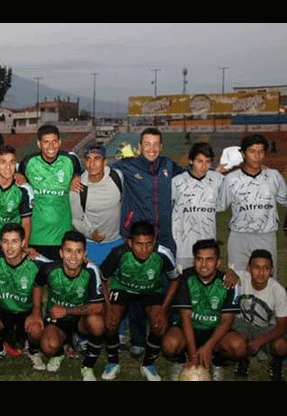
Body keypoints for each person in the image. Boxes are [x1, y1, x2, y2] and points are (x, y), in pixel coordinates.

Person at [109, 127, 184, 359]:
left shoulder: (169, 167)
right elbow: (98, 170)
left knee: (163, 288)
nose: (151, 149)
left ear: (161, 147)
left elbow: (195, 174)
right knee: (135, 289)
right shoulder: (126, 165)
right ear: (140, 147)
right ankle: (138, 339)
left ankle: (162, 333)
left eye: (156, 144)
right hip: (138, 239)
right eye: (147, 144)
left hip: (163, 238)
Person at [99, 220, 179, 381]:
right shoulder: (119, 253)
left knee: (159, 324)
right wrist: (107, 309)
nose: (144, 249)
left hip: (150, 291)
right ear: (130, 242)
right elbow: (102, 279)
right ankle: (113, 361)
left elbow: (175, 280)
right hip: (123, 288)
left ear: (154, 241)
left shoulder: (163, 253)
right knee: (110, 322)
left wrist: (163, 310)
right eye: (139, 244)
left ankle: (148, 364)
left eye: (149, 244)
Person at [162, 239, 245, 381]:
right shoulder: (185, 278)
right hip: (189, 329)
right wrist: (194, 357)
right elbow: (186, 319)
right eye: (199, 259)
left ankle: (217, 363)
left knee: (239, 347)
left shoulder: (229, 282)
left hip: (215, 330)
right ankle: (181, 362)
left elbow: (226, 321)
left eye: (209, 259)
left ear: (218, 263)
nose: (204, 264)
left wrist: (208, 347)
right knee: (170, 344)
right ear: (194, 261)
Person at [0, 223, 49, 370]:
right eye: (6, 241)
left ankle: (33, 351)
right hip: (3, 308)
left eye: (14, 242)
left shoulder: (36, 261)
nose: (9, 247)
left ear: (23, 243)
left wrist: (36, 312)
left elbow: (62, 266)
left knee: (36, 329)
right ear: (1, 243)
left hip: (26, 309)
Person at [35, 231, 105, 380]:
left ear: (85, 254)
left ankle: (88, 366)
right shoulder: (51, 269)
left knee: (97, 322)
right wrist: (36, 311)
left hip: (80, 319)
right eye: (68, 251)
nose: (73, 257)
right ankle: (60, 351)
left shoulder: (91, 271)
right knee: (48, 346)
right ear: (61, 253)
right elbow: (37, 285)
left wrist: (67, 311)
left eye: (78, 251)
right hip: (56, 321)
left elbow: (99, 307)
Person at [217, 133, 287, 277]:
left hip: (266, 236)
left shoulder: (273, 176)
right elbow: (219, 205)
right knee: (237, 281)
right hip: (239, 237)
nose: (257, 156)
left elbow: (285, 200)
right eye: (252, 152)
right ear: (243, 154)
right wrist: (215, 177)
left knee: (266, 281)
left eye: (261, 152)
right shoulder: (231, 179)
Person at [18, 124, 82, 262]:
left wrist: (76, 176)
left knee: (59, 279)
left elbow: (78, 170)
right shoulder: (28, 162)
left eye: (54, 141)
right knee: (37, 281)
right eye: (46, 142)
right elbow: (19, 179)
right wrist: (19, 176)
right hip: (36, 236)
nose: (51, 146)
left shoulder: (70, 160)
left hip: (62, 235)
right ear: (39, 144)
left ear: (60, 142)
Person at [233, 249, 287, 381]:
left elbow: (282, 327)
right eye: (256, 267)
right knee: (235, 343)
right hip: (244, 325)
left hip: (268, 328)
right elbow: (219, 271)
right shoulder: (240, 278)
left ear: (272, 270)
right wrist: (229, 272)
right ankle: (242, 360)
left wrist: (260, 341)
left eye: (266, 268)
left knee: (281, 346)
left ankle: (276, 362)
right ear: (248, 268)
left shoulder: (278, 291)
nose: (261, 272)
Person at [171, 142, 223, 271]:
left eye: (208, 162)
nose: (204, 166)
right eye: (200, 161)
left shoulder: (218, 180)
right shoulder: (177, 182)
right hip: (183, 248)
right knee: (182, 286)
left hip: (207, 248)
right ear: (190, 161)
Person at [70, 144, 123, 266]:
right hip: (92, 245)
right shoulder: (77, 187)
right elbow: (76, 219)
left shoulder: (117, 178)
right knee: (95, 281)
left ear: (105, 162)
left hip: (118, 241)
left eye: (97, 159)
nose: (92, 164)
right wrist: (91, 234)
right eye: (88, 159)